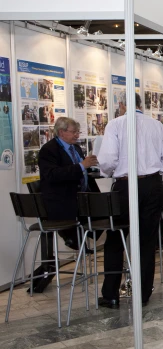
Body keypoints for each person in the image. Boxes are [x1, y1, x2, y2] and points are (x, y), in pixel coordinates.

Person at [98, 93, 163, 308]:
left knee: (115, 239)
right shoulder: (156, 125)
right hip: (152, 186)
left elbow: (107, 160)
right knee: (146, 240)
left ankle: (111, 294)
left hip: (125, 186)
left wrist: (111, 172)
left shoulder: (115, 125)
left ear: (122, 104)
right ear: (141, 105)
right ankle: (142, 294)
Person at [38, 117, 101, 285]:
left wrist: (91, 167)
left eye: (77, 132)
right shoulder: (49, 150)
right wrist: (82, 166)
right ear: (61, 132)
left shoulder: (76, 148)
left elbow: (80, 170)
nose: (76, 135)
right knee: (95, 216)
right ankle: (73, 236)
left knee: (109, 211)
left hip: (82, 197)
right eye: (74, 132)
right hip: (62, 200)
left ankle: (79, 238)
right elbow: (53, 175)